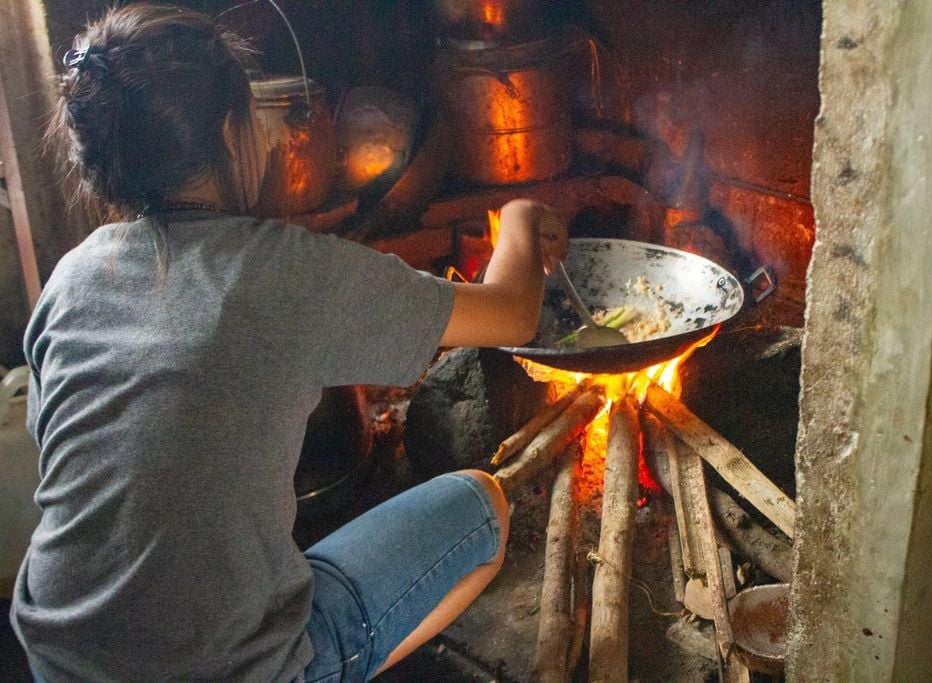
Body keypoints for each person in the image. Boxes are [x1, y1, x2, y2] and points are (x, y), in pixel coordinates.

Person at [10, 4, 568, 681]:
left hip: (53, 662)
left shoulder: (69, 279)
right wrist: (517, 216)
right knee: (483, 508)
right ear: (228, 131)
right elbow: (512, 314)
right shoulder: (278, 270)